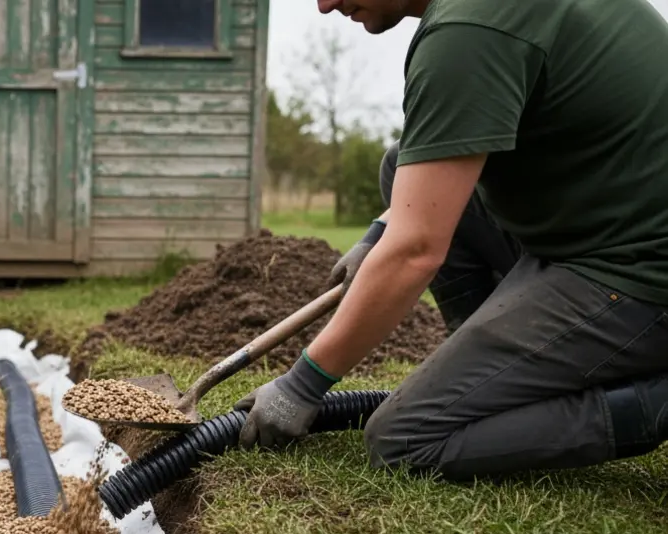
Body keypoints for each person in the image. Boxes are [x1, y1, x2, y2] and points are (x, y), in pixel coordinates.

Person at [235, 0, 668, 481]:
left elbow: (415, 250)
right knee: (400, 162)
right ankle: (490, 382)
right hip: (600, 223)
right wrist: (380, 234)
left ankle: (652, 405)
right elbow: (451, 159)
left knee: (404, 440)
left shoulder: (469, 28)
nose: (324, 5)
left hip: (639, 274)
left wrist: (302, 386)